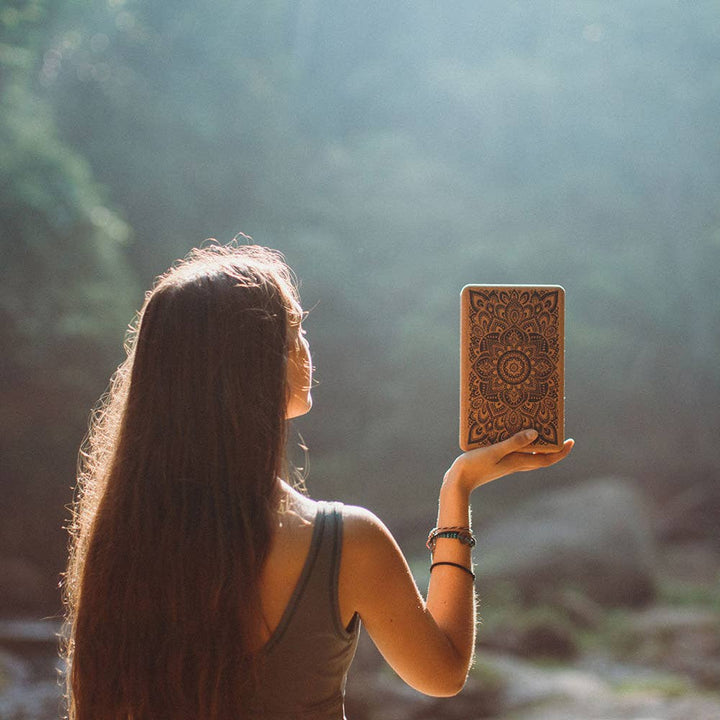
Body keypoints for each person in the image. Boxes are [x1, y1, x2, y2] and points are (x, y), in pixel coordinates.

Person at [62, 241, 574, 720]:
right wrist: (457, 489)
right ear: (250, 365)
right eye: (291, 328)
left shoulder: (121, 546)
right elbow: (442, 672)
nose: (305, 344)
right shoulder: (345, 541)